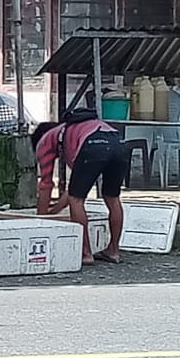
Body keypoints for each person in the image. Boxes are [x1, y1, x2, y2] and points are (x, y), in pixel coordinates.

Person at [32, 108, 126, 265]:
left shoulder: (45, 141)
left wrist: (41, 219)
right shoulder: (74, 132)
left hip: (93, 144)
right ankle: (113, 251)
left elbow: (46, 185)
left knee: (77, 201)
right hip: (118, 142)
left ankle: (86, 253)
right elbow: (74, 188)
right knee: (112, 198)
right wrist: (54, 210)